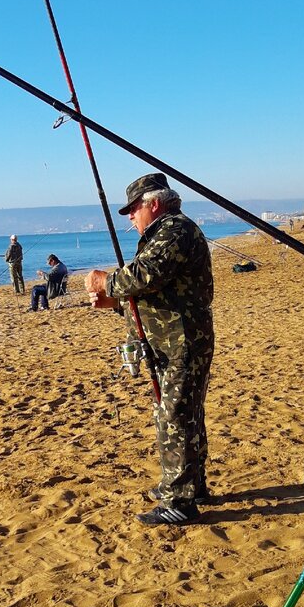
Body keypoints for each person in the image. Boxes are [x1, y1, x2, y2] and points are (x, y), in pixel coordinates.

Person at [85, 172, 214, 526]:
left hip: (184, 343)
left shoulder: (176, 230)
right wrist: (115, 304)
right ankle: (189, 483)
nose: (130, 217)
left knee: (176, 415)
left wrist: (104, 280)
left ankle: (181, 501)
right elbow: (156, 294)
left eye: (133, 209)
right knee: (182, 414)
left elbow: (146, 274)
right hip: (169, 343)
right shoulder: (163, 233)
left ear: (153, 204)